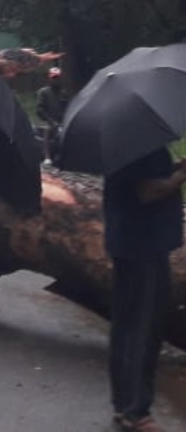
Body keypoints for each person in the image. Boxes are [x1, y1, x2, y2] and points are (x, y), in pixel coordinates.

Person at [104, 147, 186, 431]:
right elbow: (147, 191)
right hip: (145, 246)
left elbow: (139, 180)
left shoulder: (124, 141)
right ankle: (136, 410)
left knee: (125, 324)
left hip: (125, 240)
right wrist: (181, 176)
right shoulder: (143, 146)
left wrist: (174, 167)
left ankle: (122, 403)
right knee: (143, 328)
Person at [35, 66, 67, 165]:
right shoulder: (43, 92)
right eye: (53, 78)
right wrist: (51, 121)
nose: (55, 80)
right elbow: (39, 110)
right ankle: (47, 156)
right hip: (48, 120)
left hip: (62, 120)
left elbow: (67, 107)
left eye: (57, 77)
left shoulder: (64, 92)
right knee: (47, 130)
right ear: (49, 78)